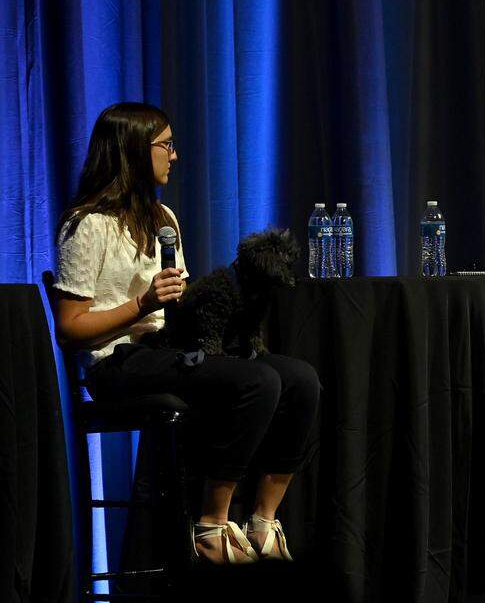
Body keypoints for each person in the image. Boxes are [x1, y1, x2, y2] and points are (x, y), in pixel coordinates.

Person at [52, 102, 320, 565]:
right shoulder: (86, 226)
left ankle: (262, 521)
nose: (174, 156)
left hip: (167, 348)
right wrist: (142, 304)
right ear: (134, 150)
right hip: (115, 362)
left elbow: (177, 306)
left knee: (299, 379)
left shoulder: (164, 220)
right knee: (257, 383)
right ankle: (211, 524)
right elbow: (70, 329)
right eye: (166, 145)